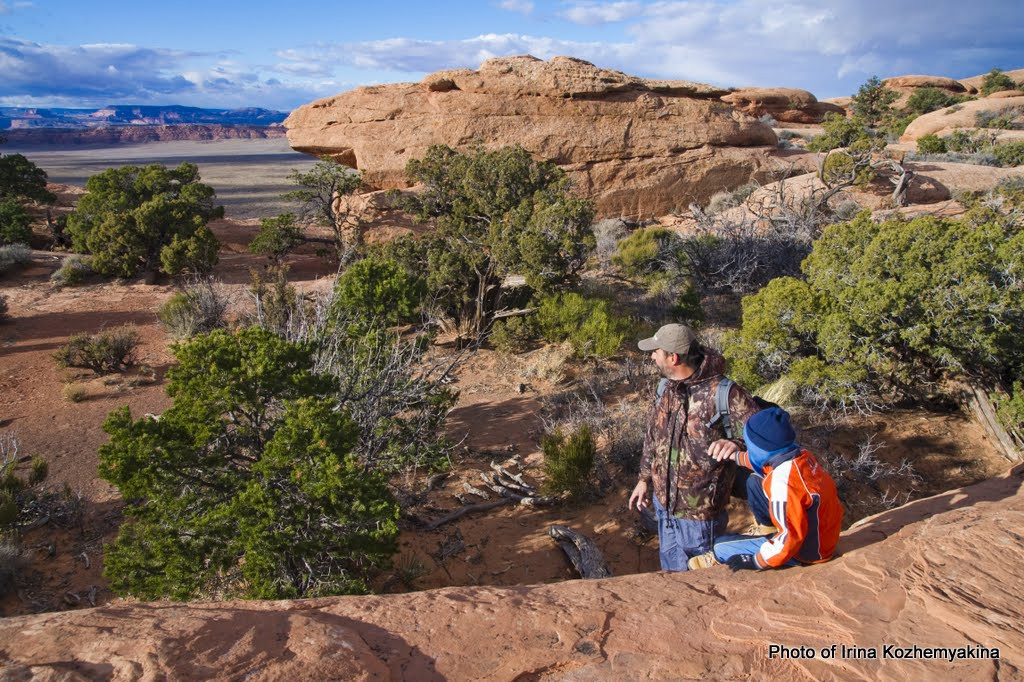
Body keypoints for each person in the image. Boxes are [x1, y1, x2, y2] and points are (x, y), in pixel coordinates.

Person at [628, 323, 759, 571]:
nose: (653, 356)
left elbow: (763, 436)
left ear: (673, 358)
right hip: (664, 507)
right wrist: (644, 479)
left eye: (656, 351)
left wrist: (735, 443)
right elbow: (653, 436)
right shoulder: (665, 388)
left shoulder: (725, 392)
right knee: (672, 574)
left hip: (700, 516)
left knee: (705, 581)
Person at [688, 407, 843, 571]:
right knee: (755, 481)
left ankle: (719, 557)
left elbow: (791, 535)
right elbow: (760, 461)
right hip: (820, 536)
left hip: (805, 552)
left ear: (760, 449)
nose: (747, 448)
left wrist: (757, 561)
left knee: (721, 546)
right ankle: (770, 529)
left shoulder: (783, 483)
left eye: (749, 445)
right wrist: (735, 456)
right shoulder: (798, 455)